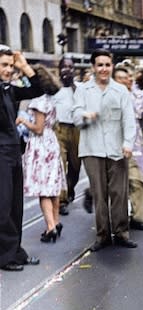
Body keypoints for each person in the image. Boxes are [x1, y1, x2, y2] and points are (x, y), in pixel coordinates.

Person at [72, 49, 137, 251]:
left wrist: (128, 143)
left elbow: (129, 120)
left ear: (112, 66)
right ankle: (102, 236)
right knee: (100, 195)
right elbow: (75, 117)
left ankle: (121, 233)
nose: (103, 69)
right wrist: (86, 115)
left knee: (119, 192)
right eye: (99, 65)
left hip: (117, 149)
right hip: (92, 149)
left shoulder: (120, 91)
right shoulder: (83, 90)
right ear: (93, 67)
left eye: (107, 65)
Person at [0, 47, 44, 271]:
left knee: (16, 206)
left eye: (10, 65)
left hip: (14, 152)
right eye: (4, 65)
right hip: (1, 154)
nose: (8, 70)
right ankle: (5, 256)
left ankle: (15, 252)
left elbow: (37, 88)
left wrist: (23, 66)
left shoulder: (8, 90)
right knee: (4, 206)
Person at [19, 66, 66, 242]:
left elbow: (38, 128)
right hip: (51, 142)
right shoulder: (49, 99)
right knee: (52, 188)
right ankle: (56, 222)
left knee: (43, 190)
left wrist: (23, 120)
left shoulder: (37, 101)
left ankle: (50, 227)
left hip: (40, 146)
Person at [113, 66, 143, 231]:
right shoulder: (110, 96)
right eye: (122, 78)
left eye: (128, 77)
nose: (127, 80)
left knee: (138, 181)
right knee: (117, 185)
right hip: (114, 144)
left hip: (135, 145)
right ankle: (118, 220)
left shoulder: (138, 96)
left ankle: (138, 217)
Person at [52, 56, 81, 216]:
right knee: (61, 166)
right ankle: (61, 200)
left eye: (70, 67)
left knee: (76, 166)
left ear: (73, 69)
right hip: (59, 129)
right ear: (59, 69)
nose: (67, 70)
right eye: (64, 67)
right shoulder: (54, 89)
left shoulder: (79, 88)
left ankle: (70, 189)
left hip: (77, 130)